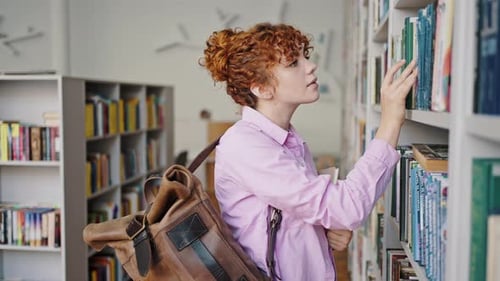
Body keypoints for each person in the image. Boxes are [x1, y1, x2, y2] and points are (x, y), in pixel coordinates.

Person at [199, 22, 417, 281]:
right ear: (261, 88)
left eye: (306, 56)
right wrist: (390, 122)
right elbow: (345, 207)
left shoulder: (286, 138)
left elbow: (293, 212)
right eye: (293, 63)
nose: (311, 66)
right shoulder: (246, 146)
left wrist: (325, 227)